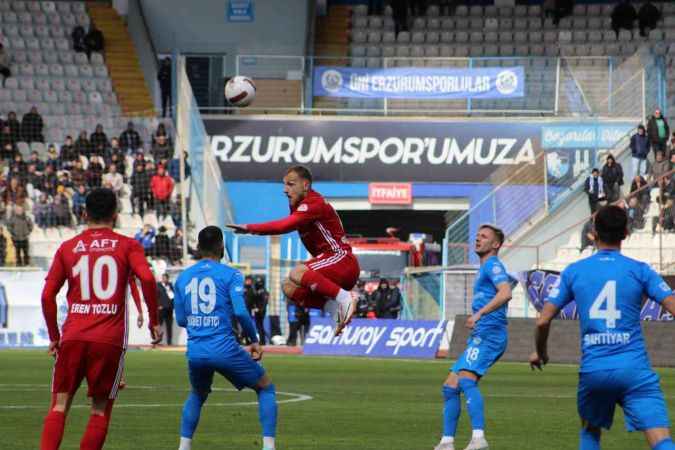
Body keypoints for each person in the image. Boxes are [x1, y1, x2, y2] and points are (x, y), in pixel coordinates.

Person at [530, 205, 675, 450]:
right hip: (634, 370)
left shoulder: (574, 271)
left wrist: (541, 352)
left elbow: (543, 320)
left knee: (590, 433)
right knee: (661, 439)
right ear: (626, 233)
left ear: (593, 232)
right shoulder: (640, 270)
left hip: (594, 370)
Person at [39, 188, 162, 450]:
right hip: (109, 340)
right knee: (99, 411)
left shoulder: (68, 247)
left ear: (84, 213)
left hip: (72, 336)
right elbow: (148, 279)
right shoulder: (128, 245)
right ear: (116, 216)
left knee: (59, 406)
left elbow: (47, 296)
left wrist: (54, 336)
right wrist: (154, 320)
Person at [174, 226, 278, 450]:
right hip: (223, 348)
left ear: (198, 248)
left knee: (198, 393)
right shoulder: (231, 274)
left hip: (196, 351)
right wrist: (254, 340)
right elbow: (241, 312)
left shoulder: (182, 278)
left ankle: (184, 446)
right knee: (265, 387)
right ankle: (269, 447)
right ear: (222, 246)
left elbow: (181, 320)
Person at [227, 165, 361, 336]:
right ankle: (335, 309)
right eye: (285, 185)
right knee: (288, 287)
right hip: (333, 266)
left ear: (305, 185)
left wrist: (251, 228)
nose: (285, 190)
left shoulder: (313, 203)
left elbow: (284, 225)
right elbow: (287, 226)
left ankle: (345, 298)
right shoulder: (300, 206)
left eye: (290, 184)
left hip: (342, 261)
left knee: (297, 272)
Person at [434, 224, 516, 450]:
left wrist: (479, 313)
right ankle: (447, 442)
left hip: (490, 334)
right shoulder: (486, 267)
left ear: (496, 244)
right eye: (477, 235)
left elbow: (506, 292)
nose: (478, 239)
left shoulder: (493, 264)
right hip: (482, 334)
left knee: (466, 380)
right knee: (450, 386)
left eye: (484, 236)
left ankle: (479, 439)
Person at [246, 277, 269, 346]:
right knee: (258, 326)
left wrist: (260, 309)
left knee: (260, 326)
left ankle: (262, 341)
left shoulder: (264, 291)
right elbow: (251, 300)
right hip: (256, 310)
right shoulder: (254, 290)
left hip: (260, 310)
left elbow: (264, 302)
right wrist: (254, 307)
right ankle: (260, 340)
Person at [157, 273, 174, 345]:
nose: (163, 279)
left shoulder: (170, 285)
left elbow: (173, 296)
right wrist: (158, 305)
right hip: (161, 308)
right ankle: (157, 341)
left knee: (169, 326)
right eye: (163, 278)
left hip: (169, 309)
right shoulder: (158, 285)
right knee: (159, 325)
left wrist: (173, 306)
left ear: (167, 278)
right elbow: (155, 296)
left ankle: (169, 342)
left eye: (165, 278)